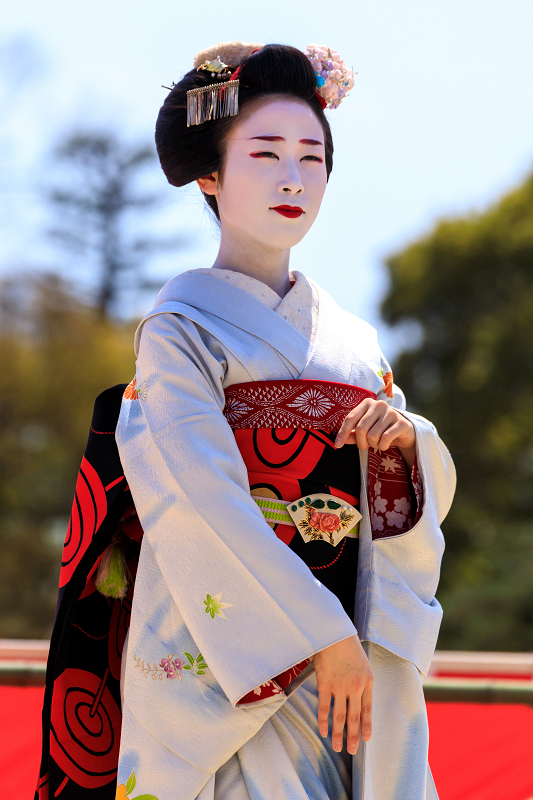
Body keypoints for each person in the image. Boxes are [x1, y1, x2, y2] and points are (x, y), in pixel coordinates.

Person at [36, 42, 455, 800]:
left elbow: (398, 503)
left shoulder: (356, 343)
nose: (293, 177)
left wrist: (405, 443)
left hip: (351, 640)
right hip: (231, 650)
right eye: (265, 153)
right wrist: (319, 638)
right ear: (210, 173)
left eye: (312, 157)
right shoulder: (179, 328)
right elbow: (198, 496)